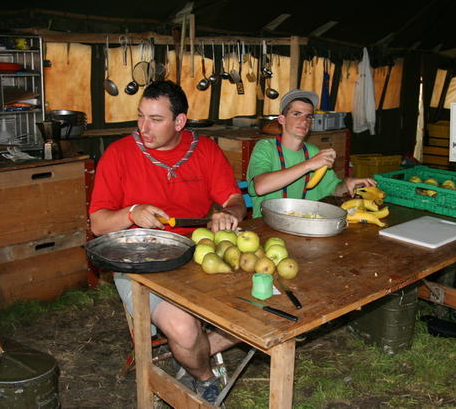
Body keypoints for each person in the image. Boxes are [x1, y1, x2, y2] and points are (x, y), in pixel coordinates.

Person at [89, 80, 246, 404]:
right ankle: (204, 375)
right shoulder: (118, 154)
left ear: (179, 122)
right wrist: (132, 212)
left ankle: (200, 348)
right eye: (141, 116)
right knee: (185, 330)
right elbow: (98, 223)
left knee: (264, 306)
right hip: (138, 261)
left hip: (196, 253)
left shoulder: (205, 150)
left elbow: (234, 198)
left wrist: (228, 213)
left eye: (156, 119)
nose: (144, 127)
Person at [246, 89, 376, 217]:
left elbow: (333, 190)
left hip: (305, 223)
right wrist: (309, 164)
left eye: (309, 116)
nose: (304, 120)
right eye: (296, 114)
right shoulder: (265, 148)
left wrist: (348, 184)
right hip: (268, 225)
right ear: (282, 119)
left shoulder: (313, 152)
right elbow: (260, 187)